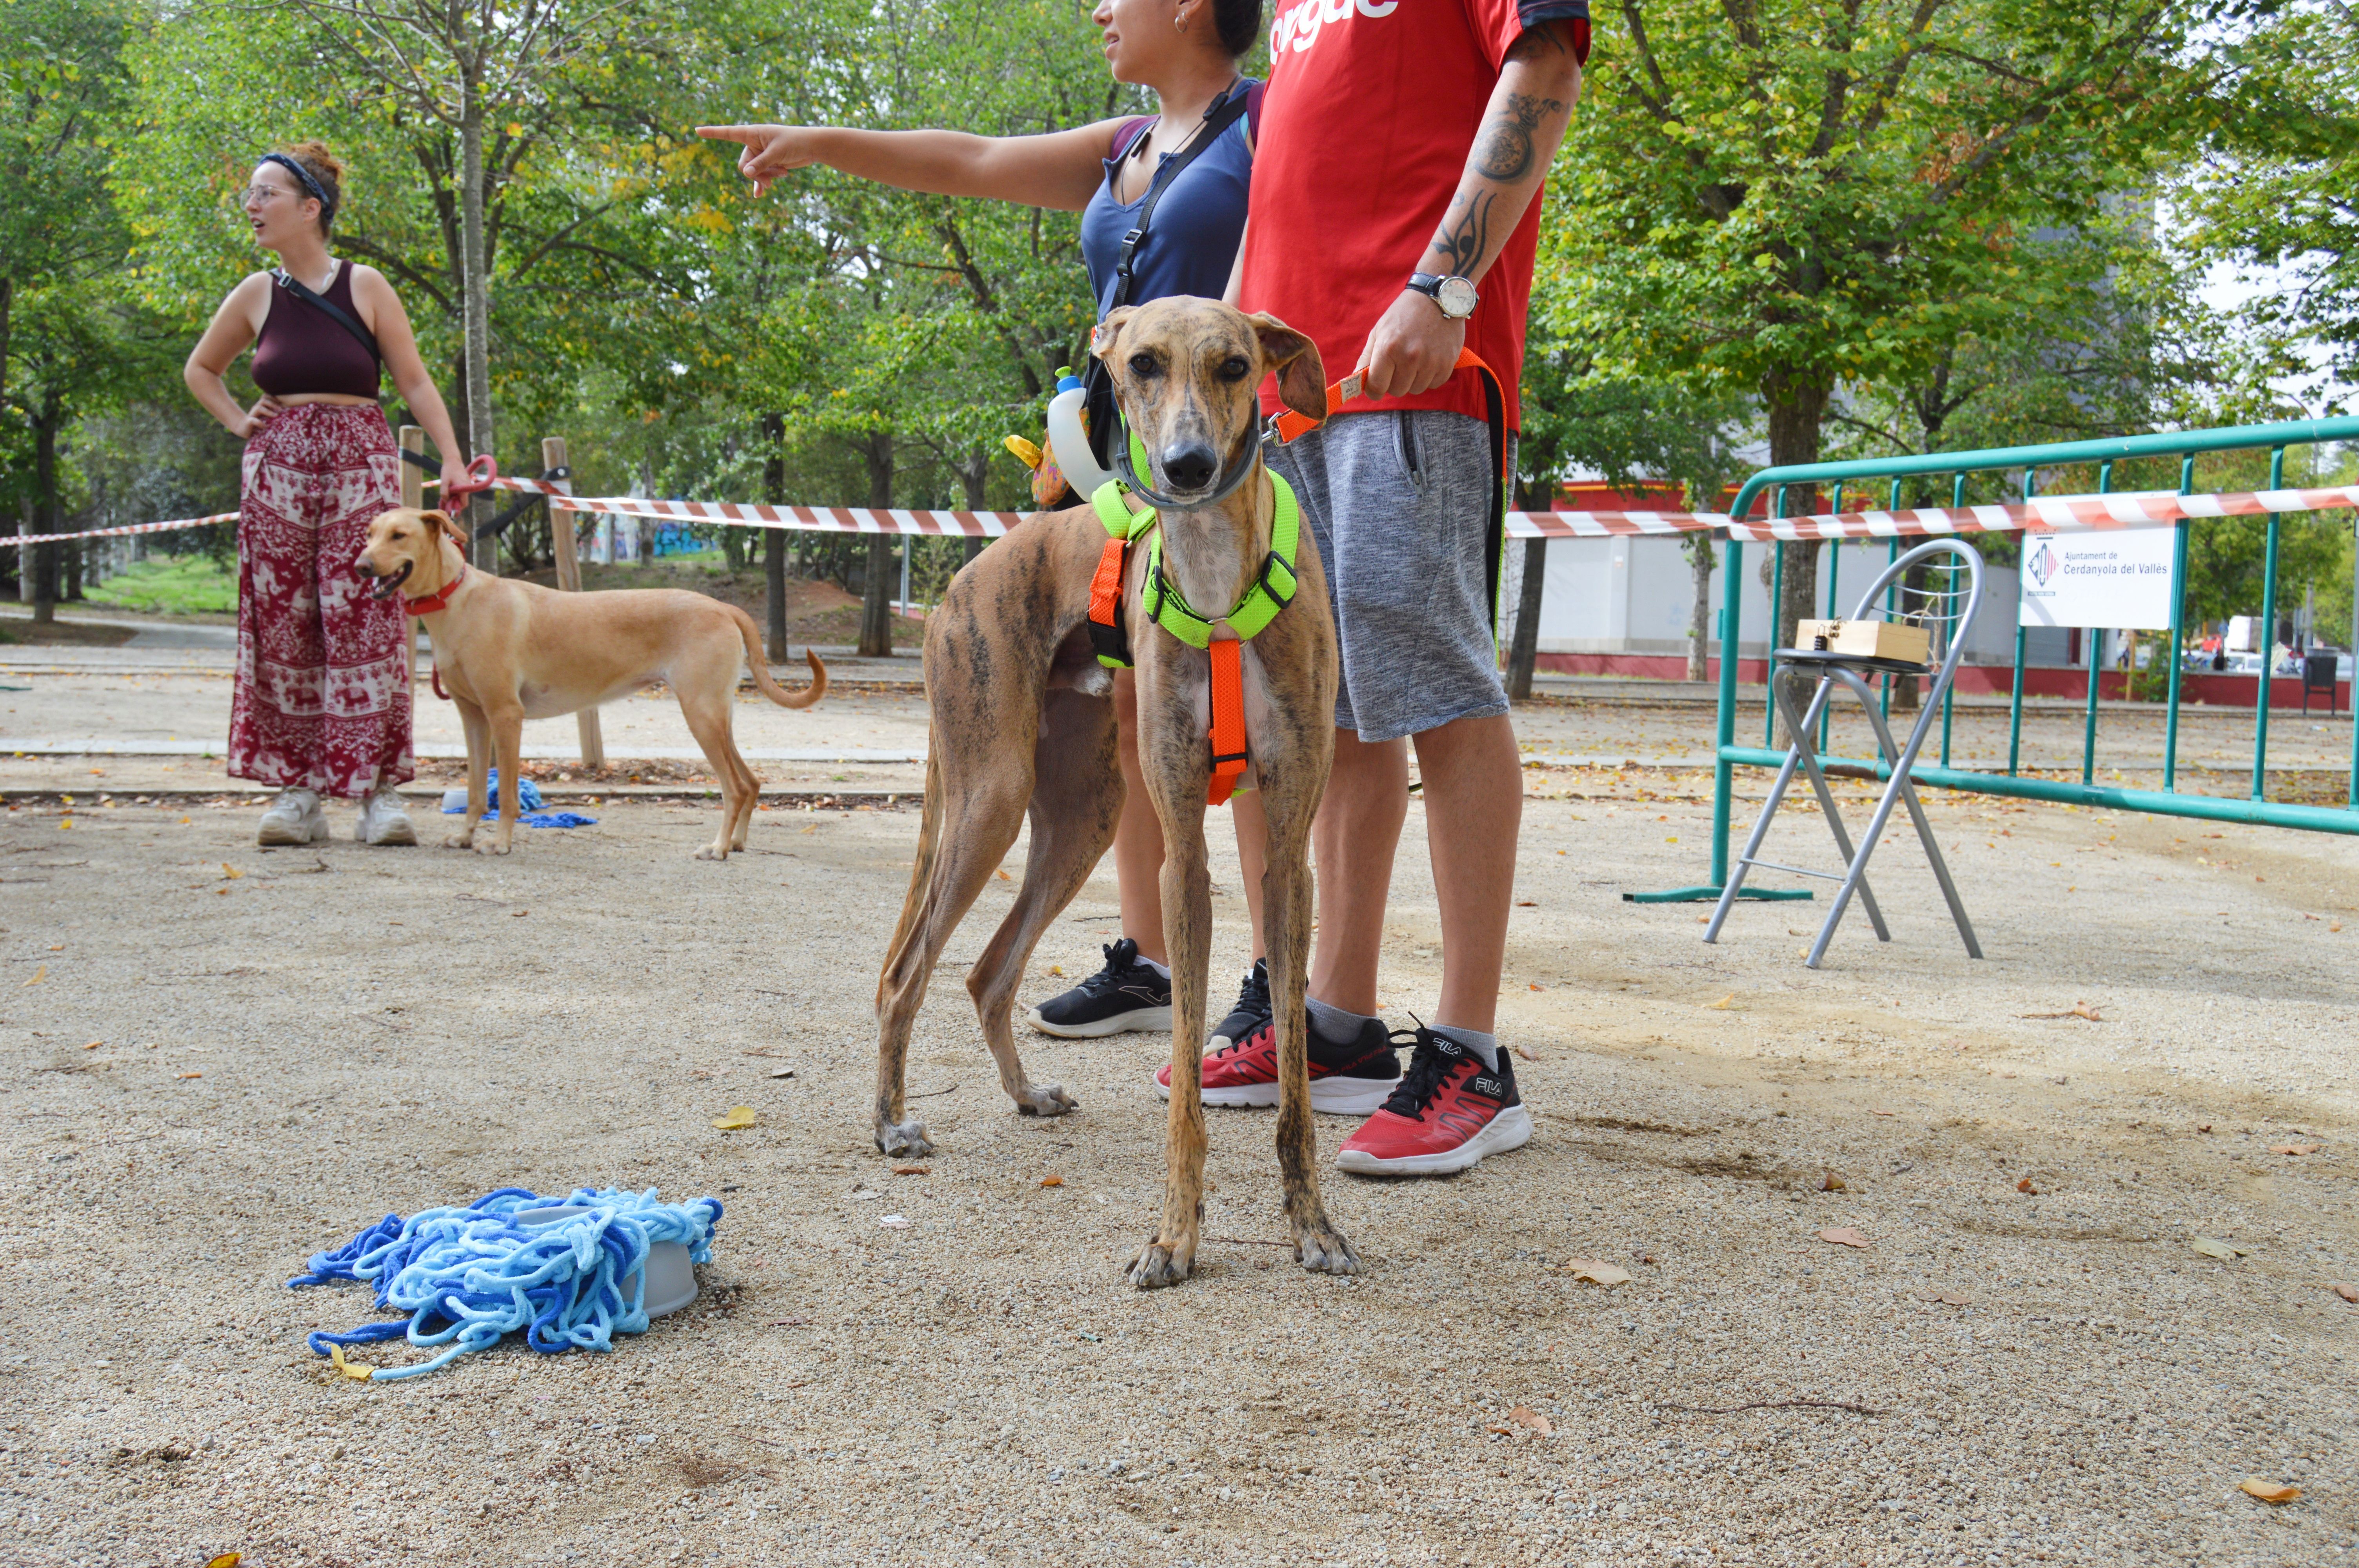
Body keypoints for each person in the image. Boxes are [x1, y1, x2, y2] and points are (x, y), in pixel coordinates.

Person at [699, 0, 1288, 1054]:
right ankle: (1145, 962)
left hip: (1222, 466)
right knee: (1130, 715)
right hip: (1119, 469)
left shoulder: (1268, 120)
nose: (1101, 11)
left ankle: (1258, 986)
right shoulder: (1125, 145)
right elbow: (969, 159)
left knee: (1231, 713)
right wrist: (822, 143)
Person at [1214, 0, 1592, 1174]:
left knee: (1435, 682)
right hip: (1292, 384)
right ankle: (1335, 1021)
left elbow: (1542, 65)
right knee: (1333, 706)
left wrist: (1446, 286)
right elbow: (1281, 187)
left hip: (1411, 360)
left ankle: (1475, 1056)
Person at [184, 141, 470, 848]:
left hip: (361, 469)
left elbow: (414, 382)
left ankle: (377, 794)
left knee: (366, 622)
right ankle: (298, 793)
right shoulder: (255, 293)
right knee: (285, 626)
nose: (251, 206)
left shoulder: (365, 285)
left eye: (266, 194)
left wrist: (454, 459)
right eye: (250, 194)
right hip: (277, 476)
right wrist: (237, 422)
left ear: (311, 208)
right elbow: (201, 369)